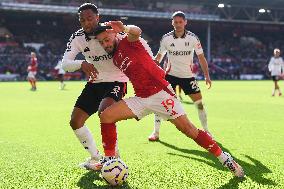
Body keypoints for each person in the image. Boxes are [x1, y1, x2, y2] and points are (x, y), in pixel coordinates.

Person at [94, 21, 244, 178]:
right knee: (106, 116)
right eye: (101, 42)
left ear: (115, 34)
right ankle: (110, 160)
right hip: (142, 98)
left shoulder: (128, 40)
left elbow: (137, 31)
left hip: (161, 94)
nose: (105, 44)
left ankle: (226, 159)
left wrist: (123, 28)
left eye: (107, 39)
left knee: (189, 130)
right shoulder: (115, 57)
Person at [61, 3, 128, 170]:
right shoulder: (77, 37)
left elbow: (133, 43)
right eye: (82, 20)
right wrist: (82, 63)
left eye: (90, 18)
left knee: (105, 112)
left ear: (98, 17)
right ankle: (95, 157)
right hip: (95, 82)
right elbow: (65, 63)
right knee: (75, 121)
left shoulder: (110, 30)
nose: (86, 23)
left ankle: (112, 156)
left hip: (116, 80)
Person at [148, 11, 212, 141]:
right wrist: (150, 70)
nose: (178, 24)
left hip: (188, 77)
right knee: (160, 102)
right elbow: (159, 57)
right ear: (172, 23)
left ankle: (207, 131)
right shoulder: (166, 38)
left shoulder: (193, 38)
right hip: (170, 76)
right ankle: (156, 132)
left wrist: (207, 75)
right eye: (175, 22)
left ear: (185, 22)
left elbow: (201, 57)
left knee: (199, 103)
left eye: (180, 22)